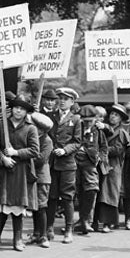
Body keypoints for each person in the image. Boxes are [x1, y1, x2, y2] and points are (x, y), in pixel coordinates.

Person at [0, 93, 40, 251]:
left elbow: (34, 150)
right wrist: (3, 158)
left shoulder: (30, 128)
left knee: (18, 207)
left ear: (26, 112)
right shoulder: (1, 126)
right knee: (1, 205)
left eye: (22, 109)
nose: (18, 111)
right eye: (16, 108)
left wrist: (16, 153)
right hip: (4, 171)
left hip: (21, 172)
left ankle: (17, 239)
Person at [47, 87, 82, 244]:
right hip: (51, 162)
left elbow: (77, 142)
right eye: (59, 98)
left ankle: (69, 230)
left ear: (72, 102)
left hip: (67, 163)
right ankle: (48, 228)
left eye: (65, 99)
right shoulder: (50, 116)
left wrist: (65, 150)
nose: (61, 101)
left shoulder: (75, 119)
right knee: (51, 197)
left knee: (67, 197)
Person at [94, 103, 130, 232]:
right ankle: (96, 221)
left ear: (121, 119)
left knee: (110, 193)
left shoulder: (121, 132)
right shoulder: (104, 129)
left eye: (116, 115)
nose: (113, 117)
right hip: (101, 164)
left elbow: (118, 149)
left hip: (113, 165)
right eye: (111, 114)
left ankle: (108, 223)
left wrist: (102, 150)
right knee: (99, 192)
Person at [74, 104, 109, 235]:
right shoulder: (76, 127)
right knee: (76, 191)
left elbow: (104, 147)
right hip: (75, 163)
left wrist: (100, 157)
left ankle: (85, 219)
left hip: (91, 165)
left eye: (91, 121)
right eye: (86, 121)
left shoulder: (98, 131)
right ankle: (78, 221)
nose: (88, 123)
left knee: (92, 189)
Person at [28, 111, 54, 247]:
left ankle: (44, 236)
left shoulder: (47, 141)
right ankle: (36, 233)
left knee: (42, 207)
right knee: (34, 207)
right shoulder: (32, 138)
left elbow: (40, 160)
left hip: (42, 178)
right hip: (33, 177)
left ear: (42, 129)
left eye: (37, 128)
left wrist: (25, 156)